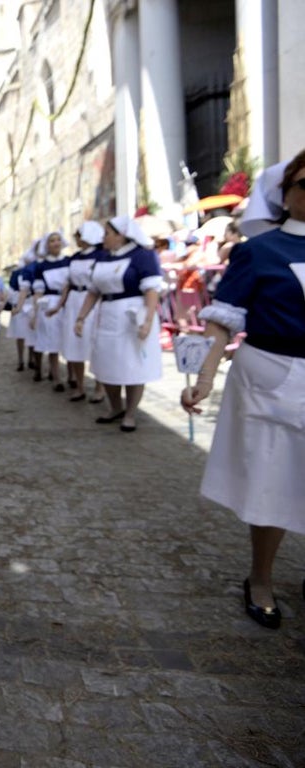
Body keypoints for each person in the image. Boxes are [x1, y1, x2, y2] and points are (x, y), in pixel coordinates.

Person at [180, 149, 305, 629]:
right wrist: (206, 379)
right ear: (284, 195)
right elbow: (222, 322)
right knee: (273, 479)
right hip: (271, 372)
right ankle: (261, 578)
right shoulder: (259, 251)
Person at [74, 217, 163, 432]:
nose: (103, 238)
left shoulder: (143, 256)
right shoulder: (103, 258)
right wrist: (81, 317)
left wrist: (148, 321)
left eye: (107, 234)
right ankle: (115, 407)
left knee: (132, 366)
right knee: (106, 365)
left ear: (120, 235)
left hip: (132, 316)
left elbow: (151, 290)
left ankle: (130, 413)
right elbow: (93, 291)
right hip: (107, 315)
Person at [59, 222, 106, 403]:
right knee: (75, 344)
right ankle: (79, 385)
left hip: (92, 300)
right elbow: (68, 284)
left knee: (95, 343)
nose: (76, 239)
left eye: (78, 235)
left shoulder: (101, 256)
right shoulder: (74, 257)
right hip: (74, 301)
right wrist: (59, 305)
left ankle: (99, 387)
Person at [30, 232, 70, 386]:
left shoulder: (68, 261)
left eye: (58, 239)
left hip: (68, 302)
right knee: (53, 342)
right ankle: (57, 378)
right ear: (47, 245)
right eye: (52, 240)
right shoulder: (42, 266)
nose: (56, 243)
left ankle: (72, 376)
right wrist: (35, 313)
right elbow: (38, 291)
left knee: (68, 340)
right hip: (50, 303)